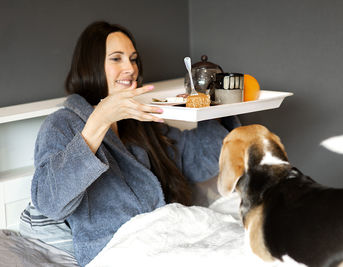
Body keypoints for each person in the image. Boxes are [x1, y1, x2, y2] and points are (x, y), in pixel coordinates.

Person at [31, 21, 240, 266]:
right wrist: (98, 122)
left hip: (166, 238)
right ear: (91, 66)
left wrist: (213, 107)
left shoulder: (138, 121)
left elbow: (198, 160)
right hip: (115, 251)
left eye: (133, 59)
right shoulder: (61, 124)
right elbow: (49, 202)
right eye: (116, 59)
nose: (130, 68)